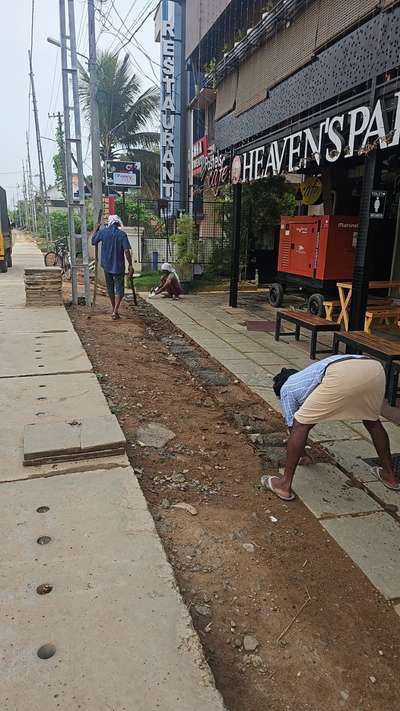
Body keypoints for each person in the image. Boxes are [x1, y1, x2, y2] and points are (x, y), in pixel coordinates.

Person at [261, 354, 399, 501]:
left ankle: (283, 484)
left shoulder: (286, 389)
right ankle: (389, 475)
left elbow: (294, 426)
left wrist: (303, 455)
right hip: (374, 368)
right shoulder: (307, 376)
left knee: (299, 425)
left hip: (341, 374)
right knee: (372, 421)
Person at [92, 215, 133, 320]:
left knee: (110, 288)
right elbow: (127, 250)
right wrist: (130, 265)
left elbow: (93, 241)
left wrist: (95, 230)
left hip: (107, 265)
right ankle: (115, 311)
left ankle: (114, 309)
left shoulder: (103, 232)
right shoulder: (122, 234)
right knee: (120, 290)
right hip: (118, 266)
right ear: (118, 223)